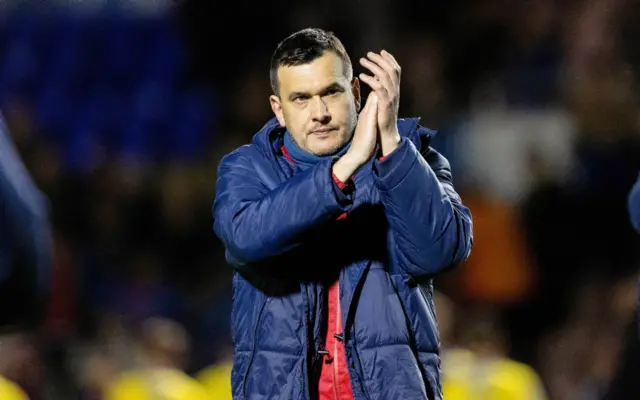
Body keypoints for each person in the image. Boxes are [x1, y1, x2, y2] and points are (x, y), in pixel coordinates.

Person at [213, 28, 473, 400]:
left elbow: (440, 250)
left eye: (330, 93)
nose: (319, 113)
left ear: (355, 92)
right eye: (300, 99)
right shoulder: (248, 169)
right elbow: (245, 240)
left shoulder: (415, 157)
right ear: (278, 109)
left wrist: (392, 147)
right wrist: (345, 167)